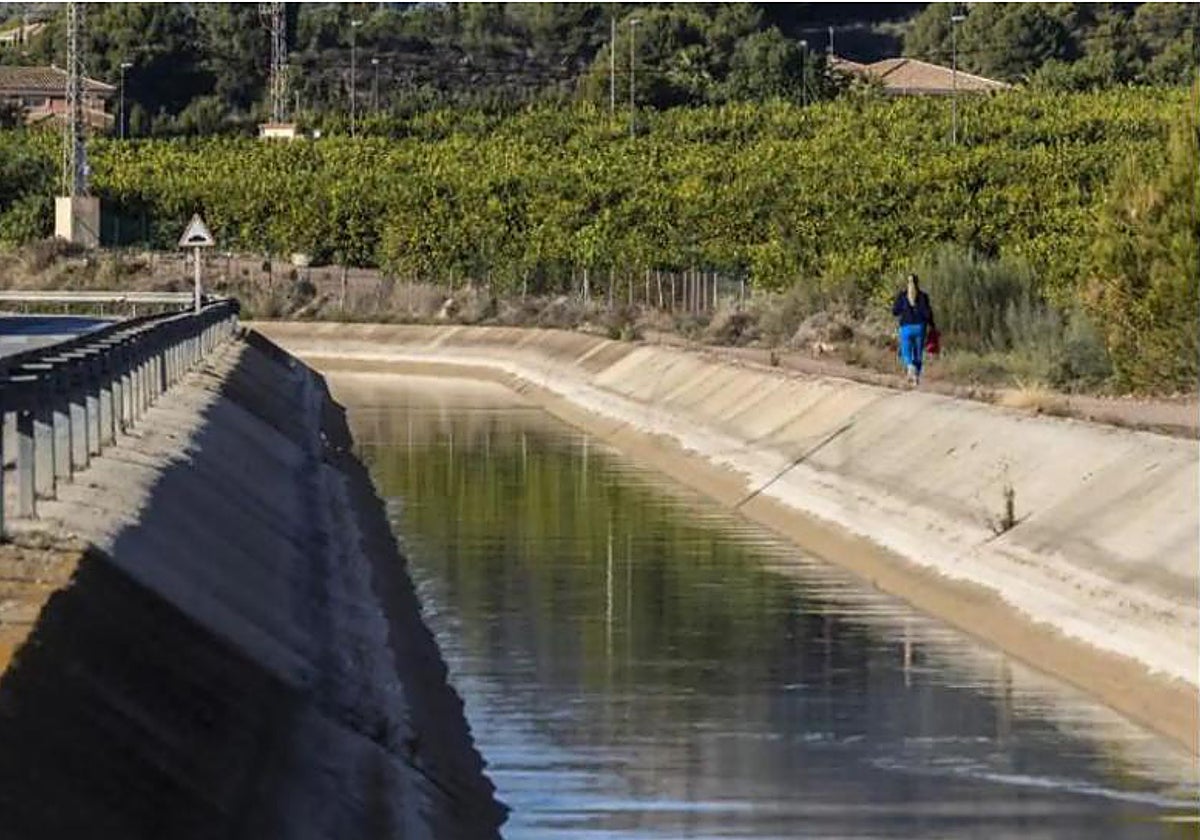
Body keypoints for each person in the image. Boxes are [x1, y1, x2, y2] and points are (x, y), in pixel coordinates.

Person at [891, 273, 935, 386]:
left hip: (906, 327)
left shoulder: (902, 295)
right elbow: (928, 313)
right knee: (918, 354)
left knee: (906, 352)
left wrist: (903, 310)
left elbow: (895, 311)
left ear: (907, 283)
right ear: (918, 283)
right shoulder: (923, 296)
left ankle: (910, 367)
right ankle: (916, 377)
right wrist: (932, 325)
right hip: (920, 327)